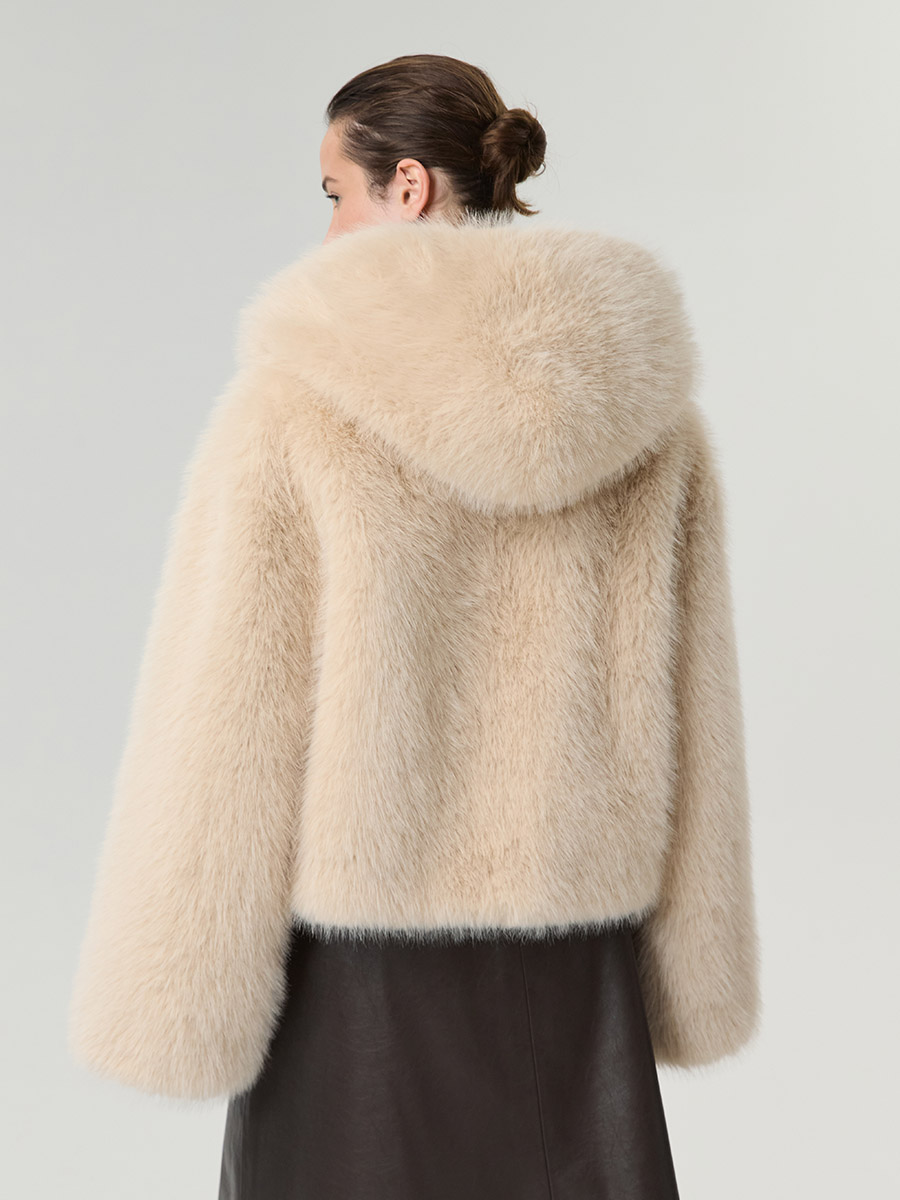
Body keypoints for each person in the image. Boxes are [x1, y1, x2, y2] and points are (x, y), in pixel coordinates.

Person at [67, 53, 761, 1199]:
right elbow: (698, 716)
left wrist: (174, 995)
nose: (328, 229)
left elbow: (225, 725)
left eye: (334, 192)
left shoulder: (294, 408)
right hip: (573, 977)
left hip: (354, 986)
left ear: (408, 185)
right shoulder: (651, 424)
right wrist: (699, 970)